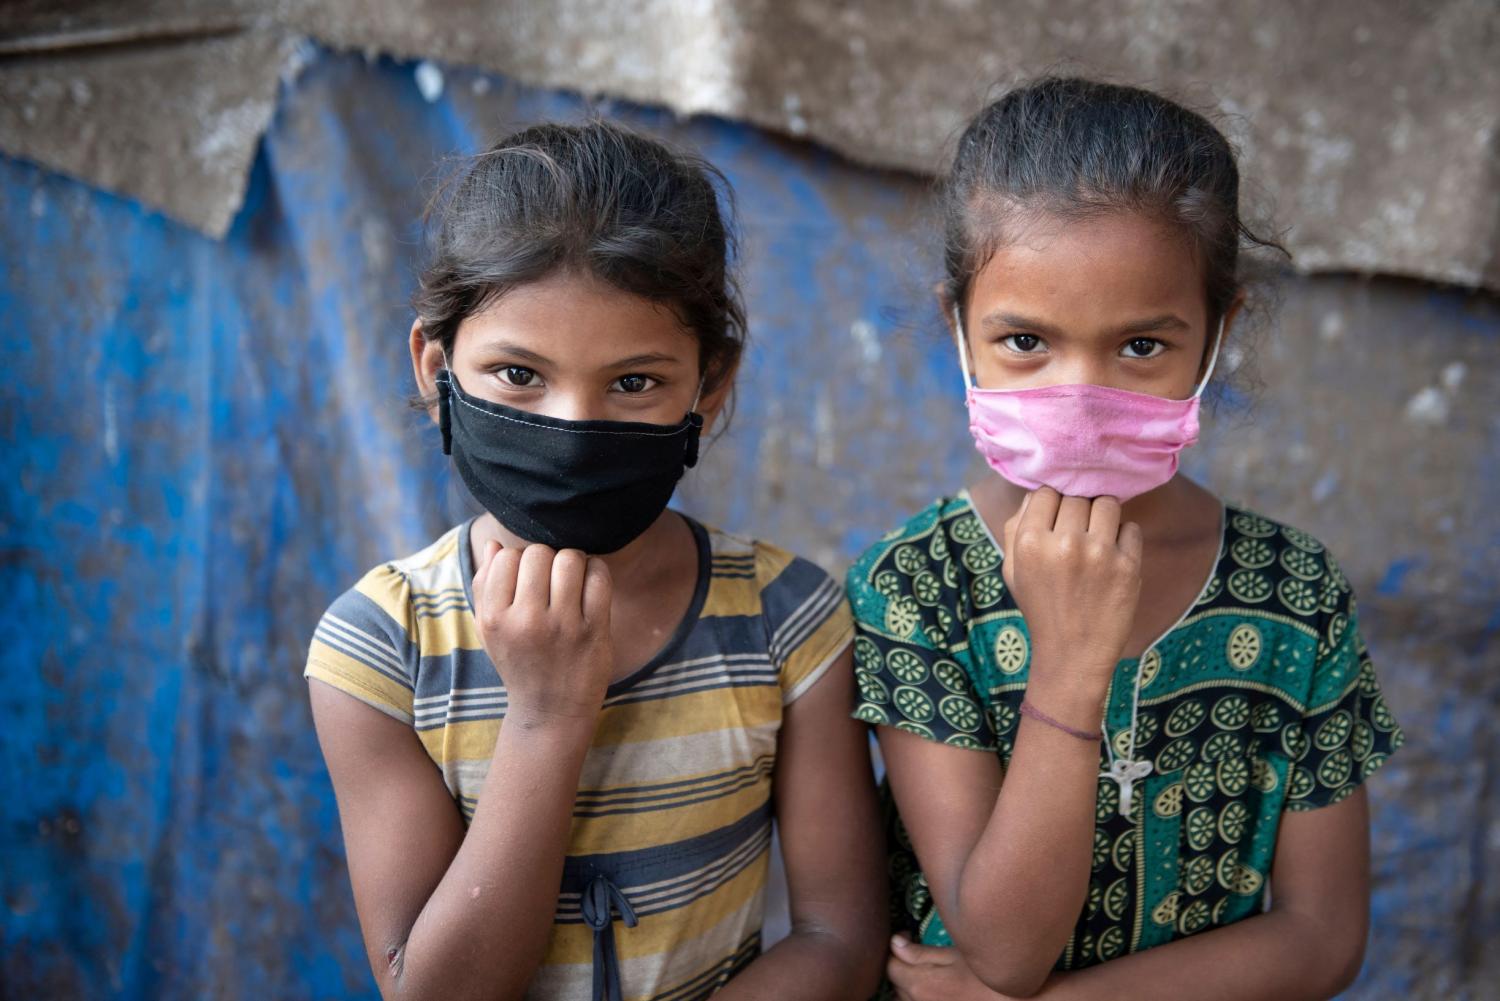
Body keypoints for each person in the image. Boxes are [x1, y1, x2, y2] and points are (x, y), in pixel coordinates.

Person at [849, 78, 1403, 1001]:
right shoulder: (918, 586)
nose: (1078, 393)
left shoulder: (1297, 595)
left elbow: (1323, 934)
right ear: (959, 329)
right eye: (1025, 340)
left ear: (1219, 335)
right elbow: (1003, 951)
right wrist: (1068, 668)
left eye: (1140, 347)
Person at [306, 120, 885, 1001]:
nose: (574, 429)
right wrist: (545, 716)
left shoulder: (787, 617)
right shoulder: (380, 649)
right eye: (518, 373)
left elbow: (837, 938)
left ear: (710, 385)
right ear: (436, 367)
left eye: (634, 382)